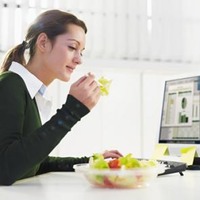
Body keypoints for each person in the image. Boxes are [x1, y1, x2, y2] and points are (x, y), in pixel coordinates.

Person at [0, 9, 122, 186]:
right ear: (43, 43)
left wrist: (92, 161)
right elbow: (5, 168)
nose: (79, 59)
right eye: (72, 47)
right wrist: (72, 111)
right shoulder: (10, 84)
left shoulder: (27, 92)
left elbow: (34, 162)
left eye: (82, 51)